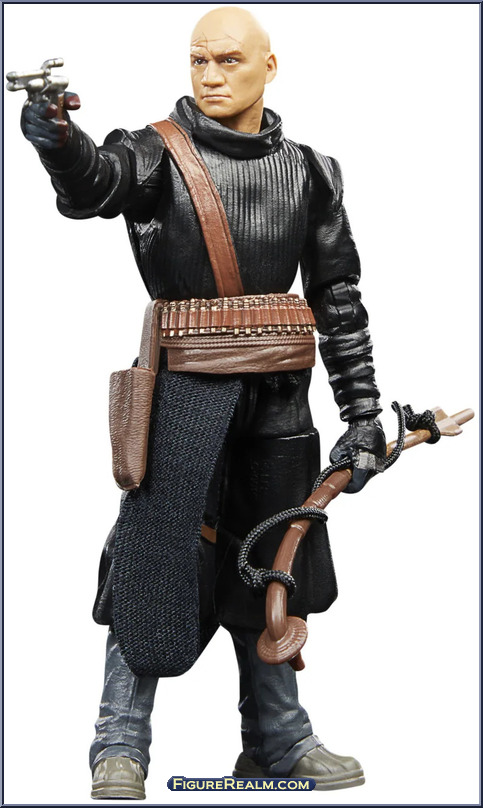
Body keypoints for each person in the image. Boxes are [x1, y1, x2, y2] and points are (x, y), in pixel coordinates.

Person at [20, 6, 386, 799]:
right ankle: (119, 741)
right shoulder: (154, 154)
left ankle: (278, 738)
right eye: (198, 60)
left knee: (275, 562)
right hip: (182, 394)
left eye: (228, 60)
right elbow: (95, 183)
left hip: (279, 401)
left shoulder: (312, 171)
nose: (211, 76)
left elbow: (338, 297)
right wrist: (57, 139)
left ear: (268, 67)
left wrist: (362, 414)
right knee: (152, 562)